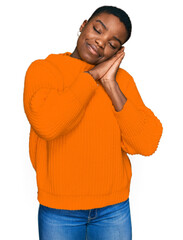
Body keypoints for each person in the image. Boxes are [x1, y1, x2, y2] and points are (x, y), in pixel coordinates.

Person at [23, 5, 163, 240]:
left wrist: (110, 84)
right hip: (59, 211)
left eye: (112, 43)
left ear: (118, 52)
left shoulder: (122, 81)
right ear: (83, 25)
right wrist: (91, 77)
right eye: (98, 30)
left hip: (114, 209)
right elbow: (48, 124)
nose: (101, 42)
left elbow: (147, 143)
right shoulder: (44, 70)